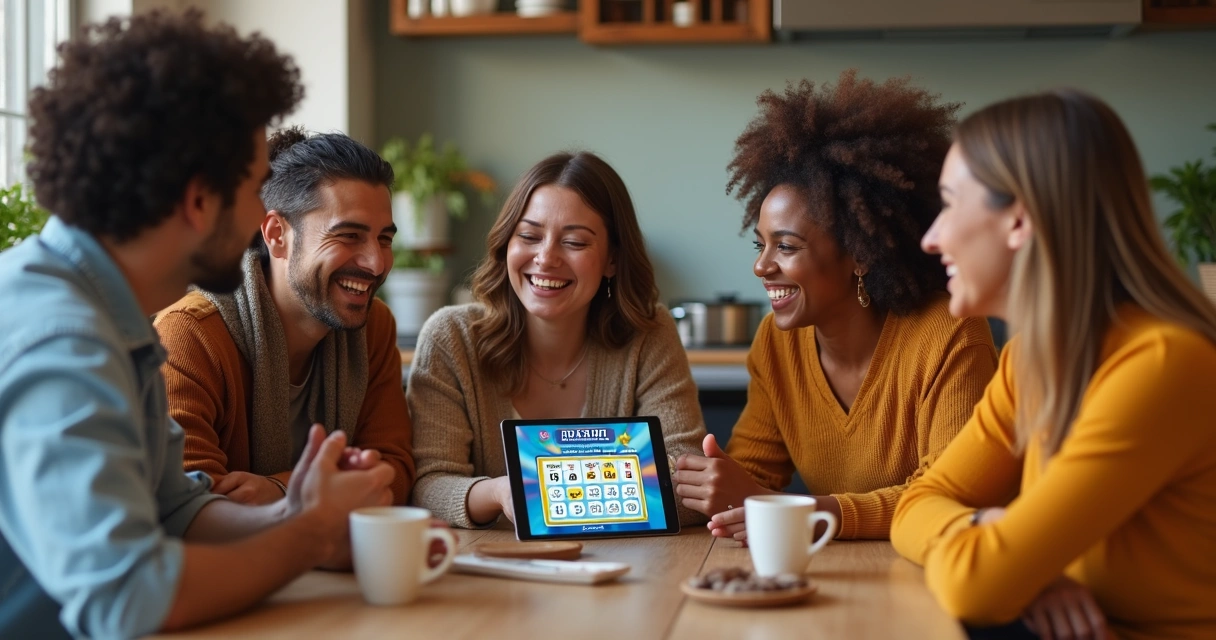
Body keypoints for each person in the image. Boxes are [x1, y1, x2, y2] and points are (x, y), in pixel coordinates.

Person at [0, 11, 395, 638]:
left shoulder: (112, 317)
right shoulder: (62, 342)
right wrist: (308, 539)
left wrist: (295, 513)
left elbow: (177, 508)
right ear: (199, 198)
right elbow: (128, 598)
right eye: (255, 186)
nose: (261, 220)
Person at [891, 90, 1216, 640]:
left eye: (949, 204)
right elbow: (915, 504)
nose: (931, 238)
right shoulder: (1031, 360)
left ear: (1019, 219)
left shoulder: (1160, 365)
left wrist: (1010, 564)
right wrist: (981, 526)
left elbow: (978, 586)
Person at [674, 71, 999, 541]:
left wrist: (810, 513)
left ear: (861, 255)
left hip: (936, 573)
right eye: (759, 245)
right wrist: (723, 483)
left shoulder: (949, 334)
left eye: (785, 247)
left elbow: (948, 497)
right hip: (840, 572)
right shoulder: (778, 342)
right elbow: (754, 477)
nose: (762, 267)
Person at [408, 151, 707, 528]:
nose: (546, 258)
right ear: (506, 245)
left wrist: (540, 495)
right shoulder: (450, 338)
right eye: (529, 236)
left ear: (612, 259)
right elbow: (427, 488)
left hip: (627, 569)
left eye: (575, 242)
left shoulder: (648, 333)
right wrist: (500, 492)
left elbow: (688, 485)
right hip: (492, 571)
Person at [155, 127, 415, 506]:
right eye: (349, 236)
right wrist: (332, 489)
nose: (376, 263)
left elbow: (394, 472)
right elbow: (189, 501)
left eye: (385, 239)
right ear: (277, 234)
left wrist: (281, 489)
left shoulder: (373, 328)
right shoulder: (189, 336)